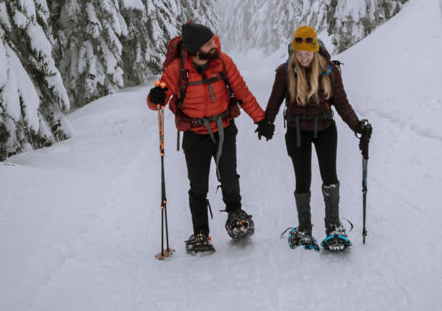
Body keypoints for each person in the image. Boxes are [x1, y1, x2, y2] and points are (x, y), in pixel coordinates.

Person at [147, 22, 267, 255]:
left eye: (213, 40)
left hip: (224, 128)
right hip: (194, 134)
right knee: (198, 185)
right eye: (209, 43)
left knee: (229, 176)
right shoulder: (176, 70)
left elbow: (242, 92)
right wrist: (155, 97)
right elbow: (156, 102)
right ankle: (200, 232)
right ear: (195, 49)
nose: (215, 44)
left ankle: (236, 217)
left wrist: (260, 119)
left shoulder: (223, 62)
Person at [258, 24, 372, 250]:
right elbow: (275, 100)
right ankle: (304, 229)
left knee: (330, 177)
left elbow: (341, 103)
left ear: (316, 50)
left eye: (308, 53)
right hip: (296, 131)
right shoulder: (285, 71)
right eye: (299, 53)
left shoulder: (330, 70)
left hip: (325, 129)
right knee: (303, 179)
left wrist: (358, 126)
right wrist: (266, 121)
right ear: (293, 51)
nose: (303, 58)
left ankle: (333, 227)